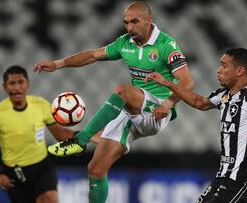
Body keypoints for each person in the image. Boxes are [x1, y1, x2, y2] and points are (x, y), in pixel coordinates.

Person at [33, 1, 194, 203]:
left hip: (157, 110)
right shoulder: (125, 42)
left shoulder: (166, 45)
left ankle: (80, 140)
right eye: (126, 23)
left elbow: (187, 82)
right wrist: (58, 64)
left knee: (121, 90)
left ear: (148, 20)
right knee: (95, 169)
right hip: (132, 111)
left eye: (134, 22)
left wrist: (168, 104)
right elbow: (92, 55)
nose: (129, 28)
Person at [145, 48, 247, 203]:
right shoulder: (224, 94)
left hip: (241, 182)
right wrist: (166, 83)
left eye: (224, 66)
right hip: (222, 178)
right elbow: (199, 102)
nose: (219, 70)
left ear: (240, 71)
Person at [0, 65, 80, 203]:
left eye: (20, 82)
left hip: (42, 169)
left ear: (27, 84)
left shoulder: (41, 105)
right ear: (5, 87)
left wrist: (85, 136)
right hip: (15, 176)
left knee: (49, 199)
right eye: (12, 83)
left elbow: (60, 134)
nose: (17, 87)